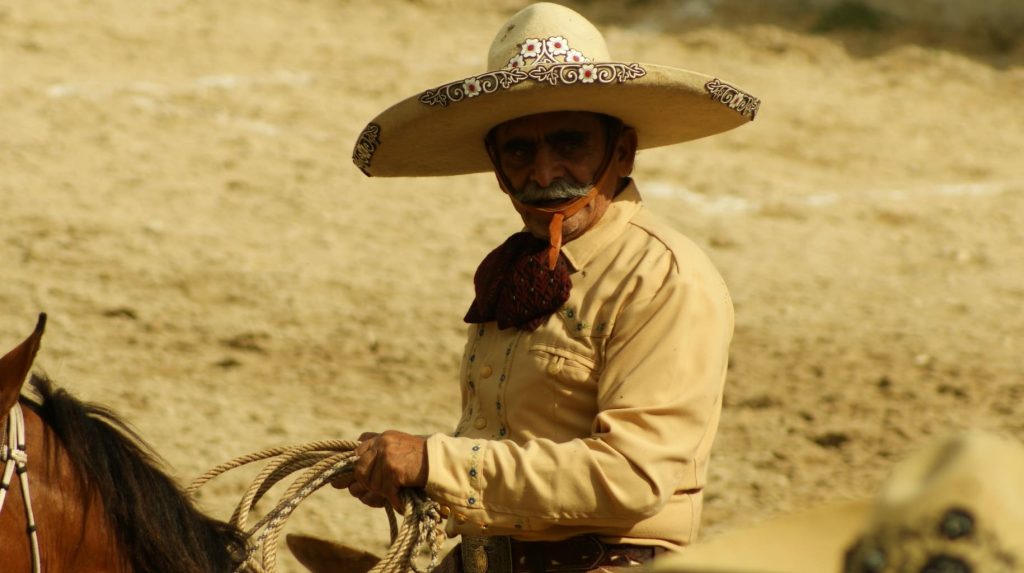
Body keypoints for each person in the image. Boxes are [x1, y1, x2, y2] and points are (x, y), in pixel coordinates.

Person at [343, 3, 760, 571]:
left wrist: (432, 463)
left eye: (569, 144)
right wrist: (405, 469)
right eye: (520, 151)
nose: (543, 174)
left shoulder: (662, 277)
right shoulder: (519, 273)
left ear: (622, 151)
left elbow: (633, 477)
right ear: (496, 167)